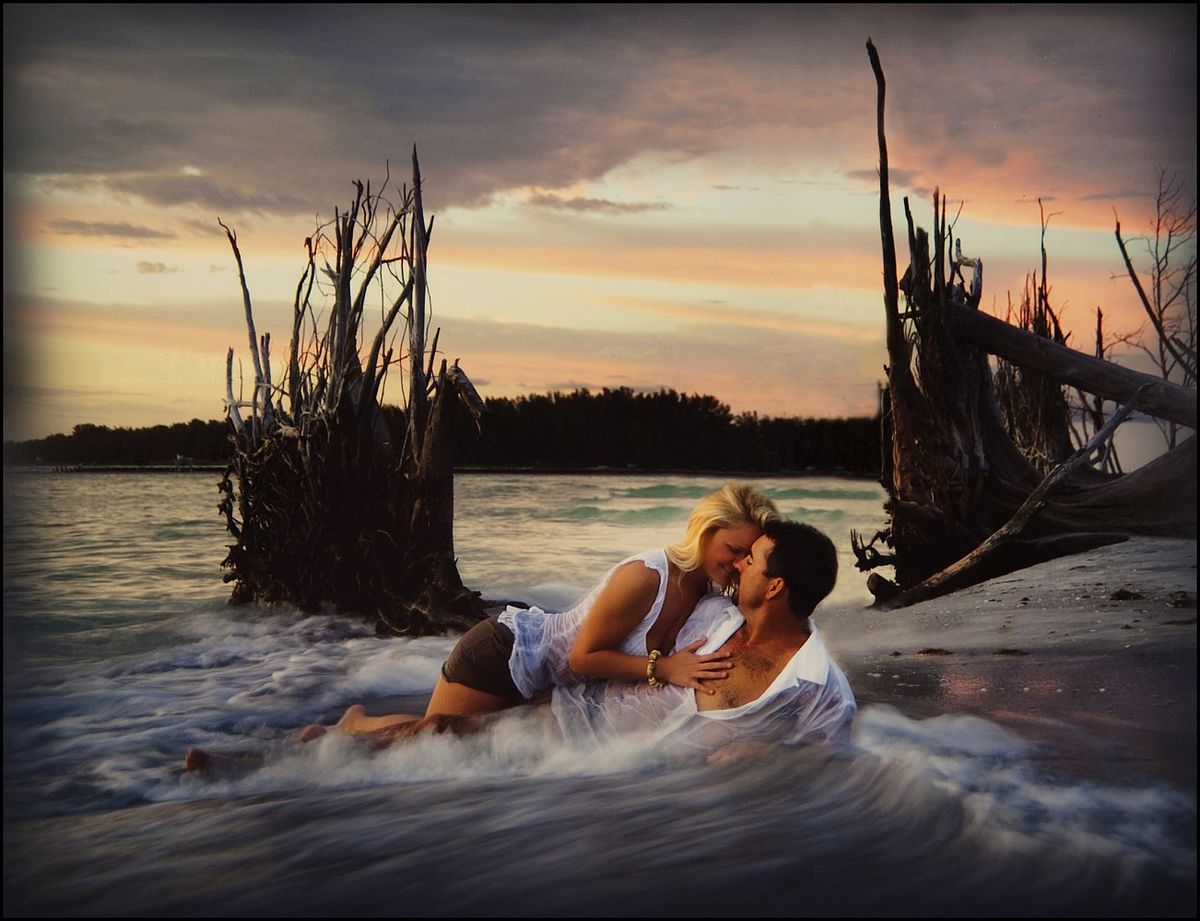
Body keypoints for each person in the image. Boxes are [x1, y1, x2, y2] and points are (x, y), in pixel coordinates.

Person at [292, 483, 780, 741]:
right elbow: (584, 657)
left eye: (749, 555)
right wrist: (664, 668)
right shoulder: (647, 575)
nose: (739, 562)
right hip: (504, 655)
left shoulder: (706, 591)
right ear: (705, 532)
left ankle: (358, 725)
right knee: (434, 742)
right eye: (733, 549)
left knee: (452, 743)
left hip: (550, 687)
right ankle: (353, 726)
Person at [551, 519, 856, 757]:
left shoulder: (821, 689)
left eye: (750, 560)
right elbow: (609, 647)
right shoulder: (711, 612)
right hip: (566, 722)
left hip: (636, 784)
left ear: (774, 587)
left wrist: (770, 753)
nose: (738, 565)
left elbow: (830, 760)